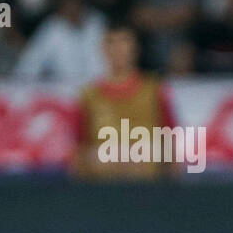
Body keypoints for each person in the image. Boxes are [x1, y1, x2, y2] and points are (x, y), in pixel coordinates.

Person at [74, 22, 176, 180]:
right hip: (102, 179)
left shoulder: (154, 90)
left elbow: (170, 140)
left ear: (136, 47)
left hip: (147, 179)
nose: (118, 49)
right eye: (111, 42)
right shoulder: (89, 96)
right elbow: (80, 148)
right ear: (103, 49)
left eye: (124, 41)